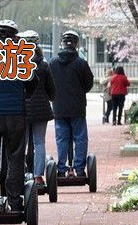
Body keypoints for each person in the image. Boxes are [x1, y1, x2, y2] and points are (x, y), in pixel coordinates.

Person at [0, 19, 37, 212]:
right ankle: (14, 200)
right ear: (14, 37)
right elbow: (32, 85)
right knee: (15, 156)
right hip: (15, 114)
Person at [49, 30, 94, 177]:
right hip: (77, 106)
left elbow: (48, 84)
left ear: (62, 43)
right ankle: (79, 169)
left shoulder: (53, 63)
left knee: (62, 138)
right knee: (80, 138)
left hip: (59, 107)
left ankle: (61, 168)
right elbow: (88, 84)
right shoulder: (81, 63)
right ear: (76, 44)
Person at [19, 30, 56, 187]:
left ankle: (19, 174)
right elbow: (52, 91)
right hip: (41, 109)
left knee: (21, 143)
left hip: (22, 109)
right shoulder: (44, 64)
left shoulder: (18, 64)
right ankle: (38, 176)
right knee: (39, 142)